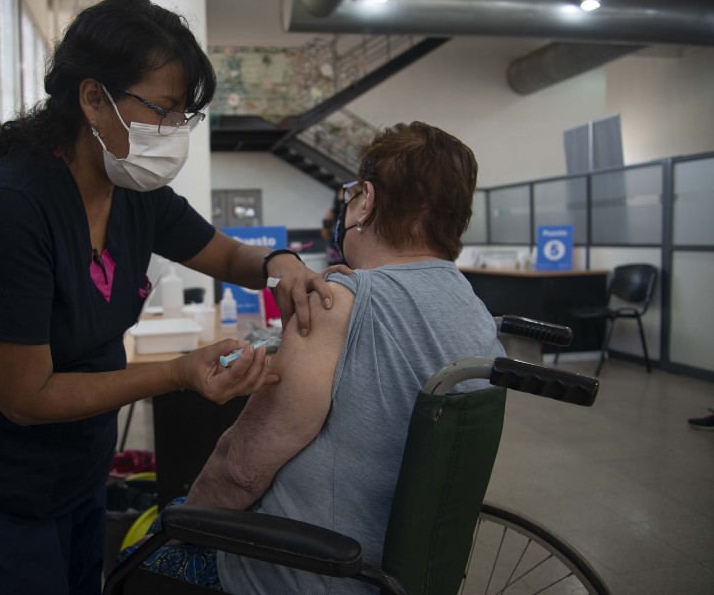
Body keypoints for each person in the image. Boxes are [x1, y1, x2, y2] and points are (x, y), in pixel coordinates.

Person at [0, 0, 334, 595]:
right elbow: (27, 396)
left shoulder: (132, 192)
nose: (172, 133)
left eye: (182, 117)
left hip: (79, 467)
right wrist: (179, 373)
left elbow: (227, 254)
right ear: (92, 98)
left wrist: (281, 263)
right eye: (161, 109)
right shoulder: (7, 212)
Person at [122, 121, 505, 593]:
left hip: (306, 571)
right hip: (400, 573)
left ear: (366, 200)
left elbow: (241, 470)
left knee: (135, 558)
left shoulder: (336, 302)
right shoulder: (477, 315)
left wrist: (181, 528)